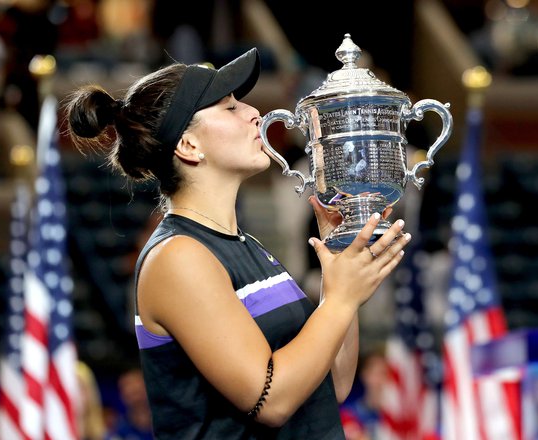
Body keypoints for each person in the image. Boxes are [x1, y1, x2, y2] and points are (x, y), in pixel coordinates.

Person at [63, 46, 411, 439]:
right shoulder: (177, 257)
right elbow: (272, 401)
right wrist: (340, 300)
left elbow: (333, 384)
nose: (253, 113)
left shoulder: (246, 246)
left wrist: (337, 271)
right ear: (188, 146)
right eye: (229, 107)